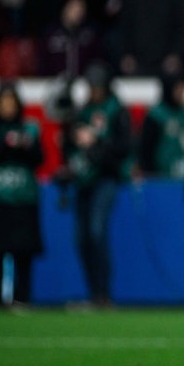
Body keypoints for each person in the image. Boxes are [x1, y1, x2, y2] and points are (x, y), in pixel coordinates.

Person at [58, 62, 131, 306]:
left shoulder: (116, 110)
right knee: (82, 239)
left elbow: (124, 148)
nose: (95, 91)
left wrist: (96, 146)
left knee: (97, 231)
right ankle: (93, 292)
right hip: (82, 180)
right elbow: (68, 146)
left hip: (106, 178)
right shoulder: (82, 111)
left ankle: (103, 292)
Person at [0, 80, 44, 308]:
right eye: (3, 101)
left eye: (11, 101)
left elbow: (39, 159)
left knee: (23, 249)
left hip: (23, 196)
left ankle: (21, 298)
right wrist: (5, 148)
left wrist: (23, 147)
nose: (7, 106)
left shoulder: (29, 127)